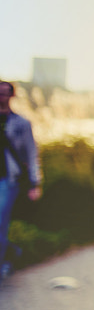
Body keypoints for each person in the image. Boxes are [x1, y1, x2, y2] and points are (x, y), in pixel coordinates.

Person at [0, 81, 42, 281]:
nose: (1, 97)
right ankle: (12, 253)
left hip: (8, 181)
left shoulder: (21, 124)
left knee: (0, 222)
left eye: (4, 93)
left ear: (11, 96)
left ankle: (3, 264)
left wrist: (35, 183)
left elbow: (32, 154)